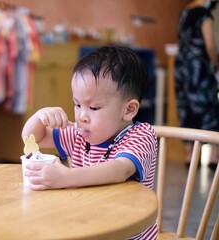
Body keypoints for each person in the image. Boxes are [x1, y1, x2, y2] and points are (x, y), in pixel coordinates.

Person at [21, 45, 158, 240]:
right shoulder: (79, 135)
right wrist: (39, 117)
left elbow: (119, 170)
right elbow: (34, 138)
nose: (82, 116)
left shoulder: (141, 135)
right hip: (87, 229)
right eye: (77, 104)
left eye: (93, 107)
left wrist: (65, 178)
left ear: (128, 110)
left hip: (129, 235)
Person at [175, 0, 219, 170]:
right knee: (209, 109)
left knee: (186, 108)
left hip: (182, 69)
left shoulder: (184, 12)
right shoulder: (204, 15)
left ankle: (190, 156)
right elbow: (209, 46)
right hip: (198, 70)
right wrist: (215, 63)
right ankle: (215, 157)